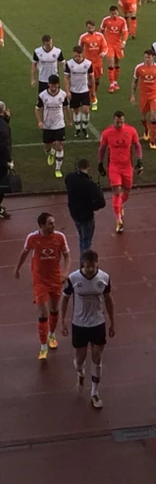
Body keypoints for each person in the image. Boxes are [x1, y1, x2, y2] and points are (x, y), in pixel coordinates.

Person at [61, 249, 115, 410]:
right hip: (79, 324)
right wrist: (63, 322)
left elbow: (108, 299)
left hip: (97, 323)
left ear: (97, 263)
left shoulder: (104, 278)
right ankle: (80, 373)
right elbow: (65, 299)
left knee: (97, 357)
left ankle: (94, 392)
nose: (91, 269)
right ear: (83, 264)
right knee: (80, 358)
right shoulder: (73, 278)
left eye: (93, 266)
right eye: (88, 266)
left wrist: (112, 322)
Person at [14, 212, 71, 360]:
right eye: (50, 223)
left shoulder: (59, 237)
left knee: (53, 309)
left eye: (53, 223)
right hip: (39, 280)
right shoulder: (32, 238)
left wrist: (65, 272)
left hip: (55, 279)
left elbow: (67, 256)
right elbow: (24, 253)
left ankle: (52, 335)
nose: (53, 225)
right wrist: (17, 268)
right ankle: (43, 345)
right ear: (41, 225)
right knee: (42, 313)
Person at [98, 111, 143, 233]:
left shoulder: (131, 131)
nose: (119, 124)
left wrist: (139, 160)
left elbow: (137, 145)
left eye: (121, 122)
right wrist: (100, 163)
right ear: (113, 120)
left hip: (127, 166)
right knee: (117, 192)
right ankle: (119, 220)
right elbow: (102, 148)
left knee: (126, 193)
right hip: (114, 167)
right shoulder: (107, 133)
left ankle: (119, 205)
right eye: (117, 122)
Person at [65, 158, 106, 255]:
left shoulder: (70, 177)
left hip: (74, 213)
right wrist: (93, 207)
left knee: (82, 238)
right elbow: (101, 202)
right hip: (86, 216)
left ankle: (83, 259)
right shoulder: (90, 184)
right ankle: (84, 263)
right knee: (86, 242)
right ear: (88, 167)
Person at [36, 74, 72, 179]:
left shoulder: (63, 94)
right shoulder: (43, 95)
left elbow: (66, 108)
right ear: (48, 85)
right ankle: (51, 152)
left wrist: (69, 120)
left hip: (59, 124)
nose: (53, 88)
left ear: (58, 85)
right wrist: (39, 121)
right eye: (51, 86)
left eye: (55, 86)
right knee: (47, 147)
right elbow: (37, 108)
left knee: (59, 145)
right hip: (47, 125)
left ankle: (58, 169)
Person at [131, 49, 156, 149]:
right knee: (143, 117)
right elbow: (134, 82)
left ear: (152, 57)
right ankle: (146, 129)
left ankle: (152, 141)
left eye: (148, 57)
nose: (147, 59)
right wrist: (132, 95)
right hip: (143, 95)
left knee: (154, 117)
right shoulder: (139, 68)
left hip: (154, 95)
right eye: (145, 57)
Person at [64, 45, 95, 139]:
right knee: (76, 111)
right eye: (75, 56)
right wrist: (67, 91)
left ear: (83, 54)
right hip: (74, 91)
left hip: (84, 90)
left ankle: (84, 128)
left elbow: (91, 78)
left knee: (86, 110)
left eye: (79, 56)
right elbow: (66, 78)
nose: (77, 58)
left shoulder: (88, 64)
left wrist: (93, 91)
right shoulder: (69, 64)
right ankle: (77, 129)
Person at [79, 20, 108, 111]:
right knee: (89, 80)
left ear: (94, 27)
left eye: (91, 27)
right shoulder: (83, 37)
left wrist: (103, 53)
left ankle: (93, 92)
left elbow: (105, 46)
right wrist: (80, 59)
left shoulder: (100, 36)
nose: (90, 29)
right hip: (88, 62)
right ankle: (92, 98)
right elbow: (79, 48)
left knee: (97, 79)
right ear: (86, 27)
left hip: (98, 62)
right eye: (88, 27)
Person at [101, 5, 129, 93]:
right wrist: (101, 43)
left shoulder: (122, 21)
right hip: (109, 45)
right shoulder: (106, 20)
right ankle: (111, 84)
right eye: (113, 14)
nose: (114, 15)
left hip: (118, 45)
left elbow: (125, 32)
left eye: (116, 13)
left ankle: (115, 82)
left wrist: (123, 42)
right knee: (111, 64)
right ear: (110, 13)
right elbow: (101, 31)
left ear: (118, 12)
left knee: (117, 63)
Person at [0, 101, 13, 219]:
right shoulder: (4, 127)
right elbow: (4, 145)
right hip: (1, 161)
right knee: (2, 184)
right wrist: (9, 160)